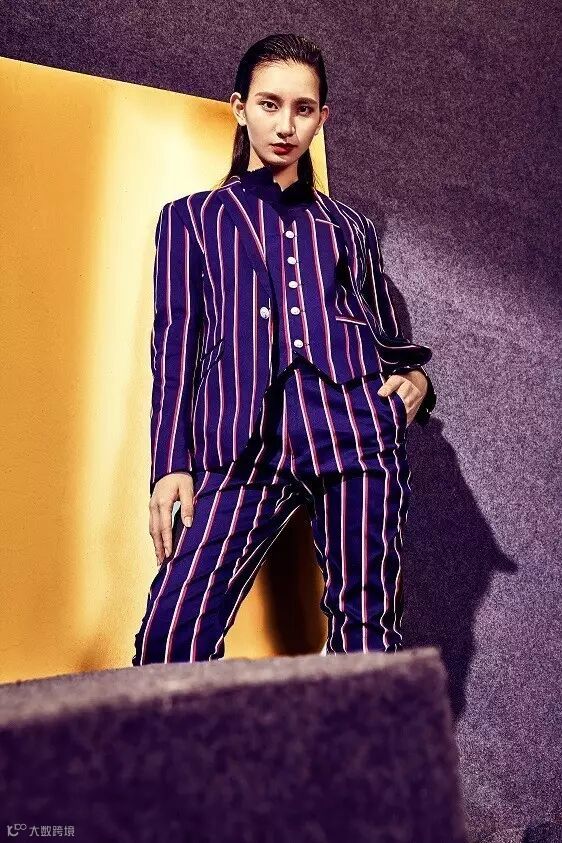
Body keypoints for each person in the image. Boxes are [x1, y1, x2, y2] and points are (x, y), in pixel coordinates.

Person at [132, 33, 436, 666]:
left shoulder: (349, 227)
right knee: (171, 637)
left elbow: (386, 337)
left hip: (352, 428)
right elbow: (176, 343)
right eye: (270, 104)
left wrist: (415, 383)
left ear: (321, 118)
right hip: (240, 439)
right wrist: (170, 462)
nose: (285, 125)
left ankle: (356, 735)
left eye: (303, 109)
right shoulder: (191, 219)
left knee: (366, 638)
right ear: (240, 108)